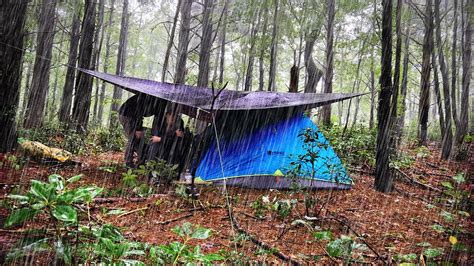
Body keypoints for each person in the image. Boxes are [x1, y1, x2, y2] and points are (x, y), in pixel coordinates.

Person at [118, 93, 166, 167]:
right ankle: (128, 162)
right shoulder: (159, 100)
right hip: (128, 115)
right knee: (134, 137)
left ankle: (141, 160)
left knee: (139, 137)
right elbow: (157, 120)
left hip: (135, 116)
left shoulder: (156, 99)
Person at [146, 105, 186, 181]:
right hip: (159, 146)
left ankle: (172, 175)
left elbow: (178, 137)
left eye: (175, 116)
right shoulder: (158, 121)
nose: (173, 118)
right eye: (171, 116)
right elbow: (155, 138)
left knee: (177, 150)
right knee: (154, 148)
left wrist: (162, 138)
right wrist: (170, 136)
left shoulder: (179, 121)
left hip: (171, 146)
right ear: (167, 115)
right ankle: (152, 175)